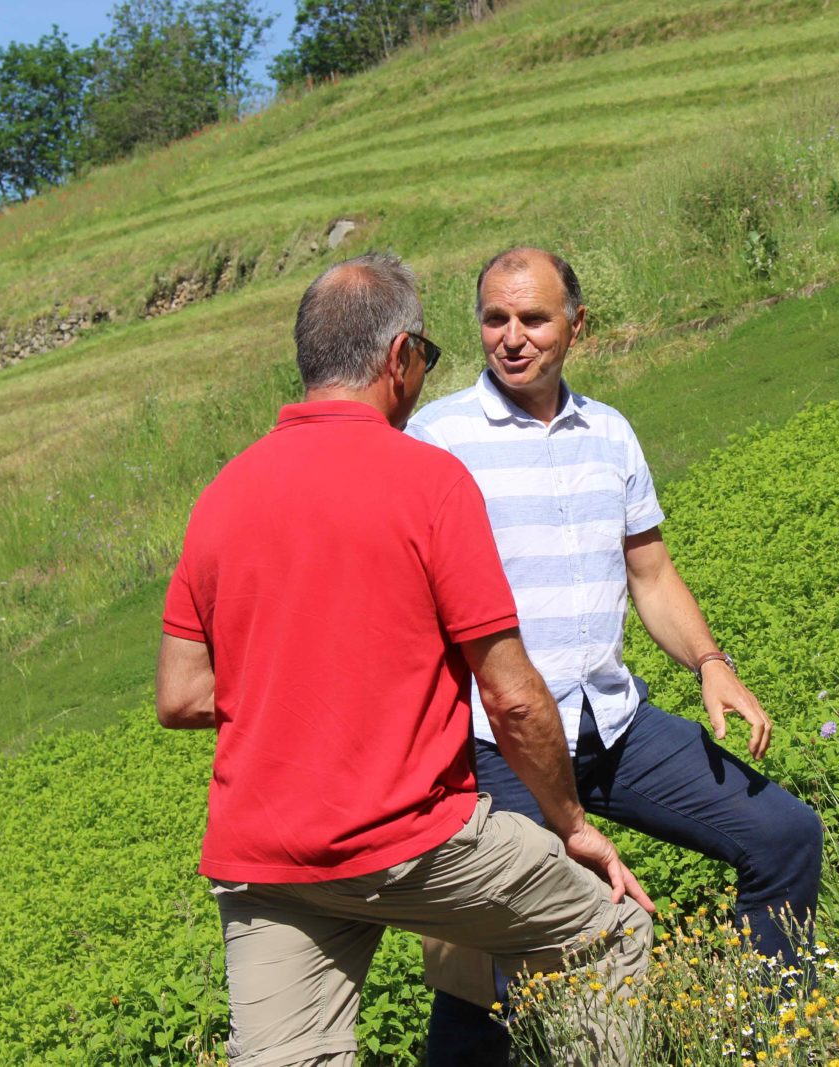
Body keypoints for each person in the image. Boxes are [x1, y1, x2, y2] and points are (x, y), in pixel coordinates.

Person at [155, 251, 653, 1067]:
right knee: (611, 932)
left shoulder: (224, 494)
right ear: (398, 358)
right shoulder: (429, 479)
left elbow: (180, 694)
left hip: (269, 857)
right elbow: (514, 696)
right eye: (424, 353)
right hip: (412, 840)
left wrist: (299, 687)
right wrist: (571, 825)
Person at [407, 247, 824, 1065]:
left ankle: (774, 1041)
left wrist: (710, 660)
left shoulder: (609, 432)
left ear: (576, 325)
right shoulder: (437, 438)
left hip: (613, 724)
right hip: (503, 747)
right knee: (500, 967)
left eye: (533, 318)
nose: (513, 337)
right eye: (496, 319)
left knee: (784, 835)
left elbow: (652, 572)